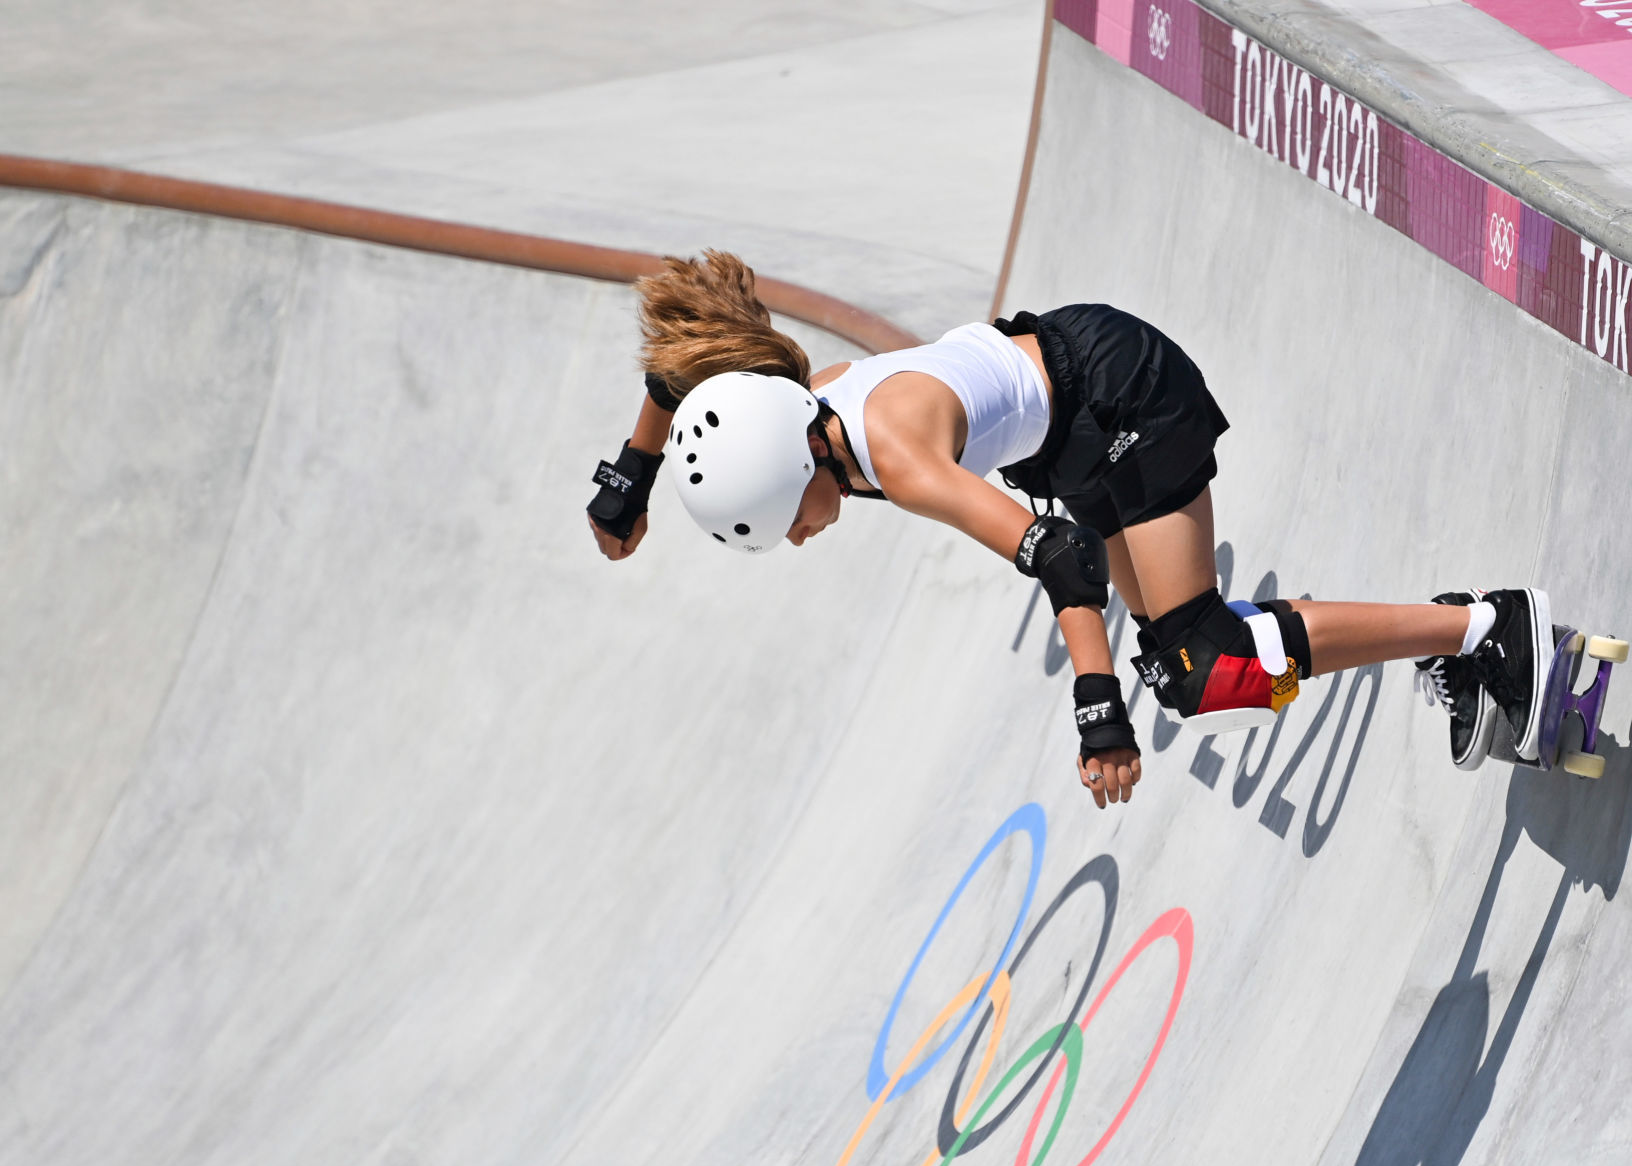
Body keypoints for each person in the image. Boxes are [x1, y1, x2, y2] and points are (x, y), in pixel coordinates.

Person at [585, 252, 1553, 808]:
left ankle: (1483, 628)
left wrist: (1098, 699)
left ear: (799, 467)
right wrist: (632, 478)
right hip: (1065, 439)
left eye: (787, 524)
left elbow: (1058, 555)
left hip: (1122, 391)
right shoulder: (785, 404)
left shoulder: (899, 453)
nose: (799, 539)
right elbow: (676, 382)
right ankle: (1460, 631)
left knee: (1200, 667)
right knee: (1196, 663)